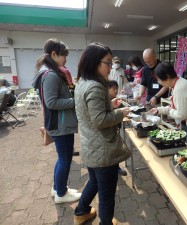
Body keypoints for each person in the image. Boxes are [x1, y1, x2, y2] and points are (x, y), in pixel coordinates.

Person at [74, 42, 131, 225]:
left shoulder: (82, 82)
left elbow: (92, 114)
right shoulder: (95, 87)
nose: (110, 67)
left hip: (90, 145)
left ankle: (81, 211)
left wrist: (110, 105)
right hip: (103, 149)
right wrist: (120, 113)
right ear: (95, 62)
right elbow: (100, 120)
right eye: (107, 62)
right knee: (106, 195)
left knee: (94, 182)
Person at [32, 38, 81, 203]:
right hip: (61, 125)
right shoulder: (51, 75)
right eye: (63, 56)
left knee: (62, 158)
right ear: (53, 54)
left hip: (59, 123)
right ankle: (61, 193)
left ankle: (57, 189)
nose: (66, 59)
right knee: (65, 159)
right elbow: (51, 102)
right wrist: (76, 100)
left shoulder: (49, 72)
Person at [148, 62, 187, 148]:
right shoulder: (178, 83)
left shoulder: (179, 88)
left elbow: (181, 114)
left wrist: (168, 111)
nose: (159, 82)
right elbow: (174, 106)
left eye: (159, 79)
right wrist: (158, 110)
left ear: (167, 77)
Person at [108, 80, 128, 176]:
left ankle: (117, 168)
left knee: (116, 149)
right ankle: (113, 168)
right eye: (113, 89)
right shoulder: (106, 101)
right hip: (110, 130)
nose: (115, 91)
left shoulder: (116, 98)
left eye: (117, 88)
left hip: (116, 128)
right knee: (112, 150)